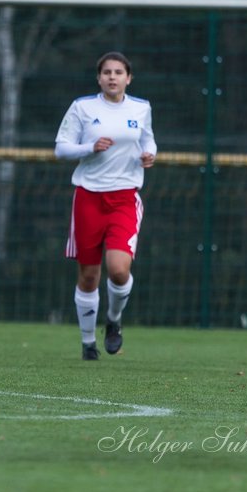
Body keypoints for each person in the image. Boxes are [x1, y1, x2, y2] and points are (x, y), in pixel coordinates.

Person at [54, 51, 156, 360]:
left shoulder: (140, 108)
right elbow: (61, 149)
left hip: (124, 197)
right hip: (88, 197)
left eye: (118, 72)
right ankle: (88, 342)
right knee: (89, 275)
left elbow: (148, 140)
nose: (112, 77)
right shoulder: (83, 108)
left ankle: (113, 320)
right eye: (107, 72)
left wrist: (149, 154)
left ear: (128, 78)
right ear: (99, 78)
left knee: (118, 269)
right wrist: (90, 147)